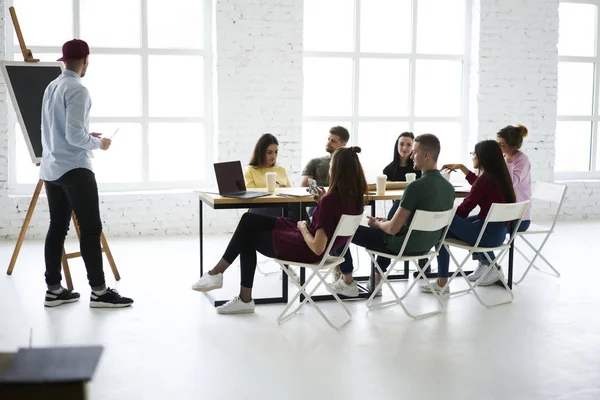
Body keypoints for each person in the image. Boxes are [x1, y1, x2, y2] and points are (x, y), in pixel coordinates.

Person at [191, 147, 368, 314]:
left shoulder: (331, 201)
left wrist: (303, 227)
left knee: (247, 235)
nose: (329, 170)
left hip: (305, 248)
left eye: (331, 166)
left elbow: (317, 247)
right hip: (308, 241)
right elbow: (332, 220)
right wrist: (321, 201)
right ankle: (219, 277)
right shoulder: (356, 200)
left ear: (336, 170)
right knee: (249, 219)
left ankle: (231, 287)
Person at [40, 39, 133, 308]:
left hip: (52, 168)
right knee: (91, 229)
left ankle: (53, 290)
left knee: (56, 228)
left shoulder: (52, 86)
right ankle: (99, 292)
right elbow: (73, 135)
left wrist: (84, 135)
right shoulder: (78, 89)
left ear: (64, 60)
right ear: (86, 60)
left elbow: (56, 131)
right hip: (75, 168)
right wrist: (98, 143)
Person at [329, 134, 455, 298]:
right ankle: (374, 278)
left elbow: (393, 229)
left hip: (400, 245)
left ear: (426, 155)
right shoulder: (449, 188)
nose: (411, 155)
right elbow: (402, 224)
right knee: (386, 226)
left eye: (414, 151)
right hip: (426, 246)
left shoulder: (415, 187)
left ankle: (347, 281)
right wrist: (387, 223)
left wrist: (378, 224)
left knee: (339, 227)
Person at [434, 140, 517, 293]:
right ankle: (490, 266)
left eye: (474, 154)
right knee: (451, 225)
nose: (472, 157)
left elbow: (464, 209)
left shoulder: (486, 179)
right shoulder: (500, 177)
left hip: (485, 237)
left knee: (441, 225)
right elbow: (479, 185)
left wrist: (444, 215)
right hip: (499, 234)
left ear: (483, 157)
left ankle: (442, 281)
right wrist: (462, 168)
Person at [243, 133, 299, 219]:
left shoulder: (281, 170)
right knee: (295, 211)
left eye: (276, 152)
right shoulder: (250, 170)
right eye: (269, 152)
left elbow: (291, 196)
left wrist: (285, 192)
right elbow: (250, 198)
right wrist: (276, 192)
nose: (273, 156)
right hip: (259, 209)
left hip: (282, 207)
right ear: (260, 152)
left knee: (299, 205)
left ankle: (306, 228)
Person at [497, 124, 531, 231]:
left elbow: (510, 184)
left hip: (519, 219)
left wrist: (509, 163)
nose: (498, 147)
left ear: (514, 147)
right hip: (504, 214)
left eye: (502, 144)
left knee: (483, 230)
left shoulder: (522, 160)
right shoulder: (502, 156)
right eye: (497, 142)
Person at [382, 132, 422, 220]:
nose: (404, 148)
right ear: (397, 145)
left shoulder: (419, 167)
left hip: (418, 207)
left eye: (408, 145)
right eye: (401, 144)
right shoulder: (388, 170)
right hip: (399, 208)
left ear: (414, 147)